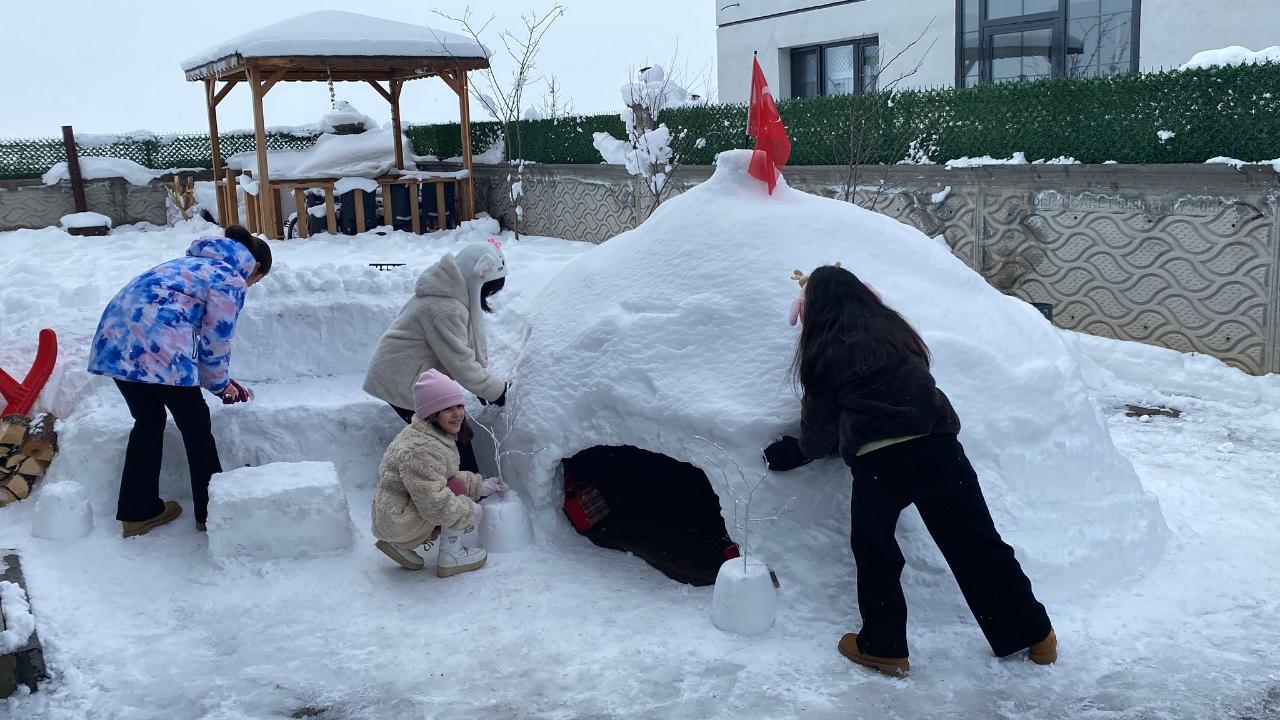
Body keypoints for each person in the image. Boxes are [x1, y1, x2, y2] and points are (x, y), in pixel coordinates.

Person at [763, 265, 1055, 677]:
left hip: (881, 462)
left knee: (876, 551)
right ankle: (1035, 634)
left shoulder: (823, 348)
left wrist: (795, 453)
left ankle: (884, 648)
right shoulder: (896, 332)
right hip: (939, 449)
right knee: (977, 543)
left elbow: (819, 429)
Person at [87, 225, 271, 538]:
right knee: (196, 424)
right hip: (157, 346)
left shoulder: (187, 265)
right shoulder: (230, 278)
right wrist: (219, 384)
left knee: (148, 418)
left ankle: (138, 511)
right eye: (255, 281)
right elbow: (217, 339)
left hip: (115, 343)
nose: (250, 286)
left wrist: (211, 378)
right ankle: (211, 513)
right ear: (254, 267)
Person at [363, 240, 509, 473]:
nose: (487, 297)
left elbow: (464, 343)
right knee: (454, 436)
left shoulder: (451, 293)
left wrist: (484, 388)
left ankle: (461, 489)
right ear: (475, 282)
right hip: (401, 379)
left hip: (412, 373)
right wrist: (498, 391)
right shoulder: (445, 309)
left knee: (456, 434)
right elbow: (461, 363)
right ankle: (462, 496)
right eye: (487, 290)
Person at [371, 370, 507, 575]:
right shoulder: (421, 449)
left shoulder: (430, 434)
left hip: (394, 513)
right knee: (453, 502)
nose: (457, 413)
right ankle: (451, 556)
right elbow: (433, 502)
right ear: (431, 413)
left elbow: (443, 478)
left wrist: (478, 486)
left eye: (459, 405)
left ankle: (400, 545)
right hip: (398, 521)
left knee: (454, 488)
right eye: (447, 408)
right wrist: (467, 511)